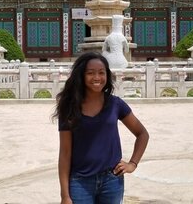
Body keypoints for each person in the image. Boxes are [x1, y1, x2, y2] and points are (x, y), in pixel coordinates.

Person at [53, 52, 149, 204]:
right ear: (81, 76)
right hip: (80, 181)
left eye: (101, 73)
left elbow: (142, 133)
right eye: (90, 73)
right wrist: (65, 195)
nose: (97, 78)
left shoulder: (115, 104)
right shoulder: (70, 108)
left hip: (112, 180)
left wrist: (132, 164)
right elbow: (65, 153)